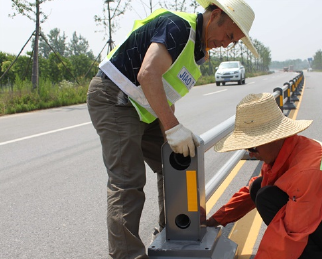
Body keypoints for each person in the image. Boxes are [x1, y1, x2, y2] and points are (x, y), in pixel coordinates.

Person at [87, 0, 259, 258]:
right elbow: (148, 74)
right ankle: (127, 255)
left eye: (232, 42)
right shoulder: (179, 27)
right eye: (229, 35)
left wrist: (172, 127)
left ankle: (174, 234)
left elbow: (164, 91)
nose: (226, 43)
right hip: (116, 98)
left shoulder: (196, 52)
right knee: (128, 181)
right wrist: (172, 127)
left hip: (142, 107)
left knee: (177, 163)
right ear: (215, 16)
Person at [206, 93, 322, 259]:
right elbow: (252, 190)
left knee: (268, 198)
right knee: (259, 188)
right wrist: (214, 220)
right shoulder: (288, 151)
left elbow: (292, 234)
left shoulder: (308, 170)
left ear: (273, 138)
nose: (250, 154)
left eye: (253, 148)